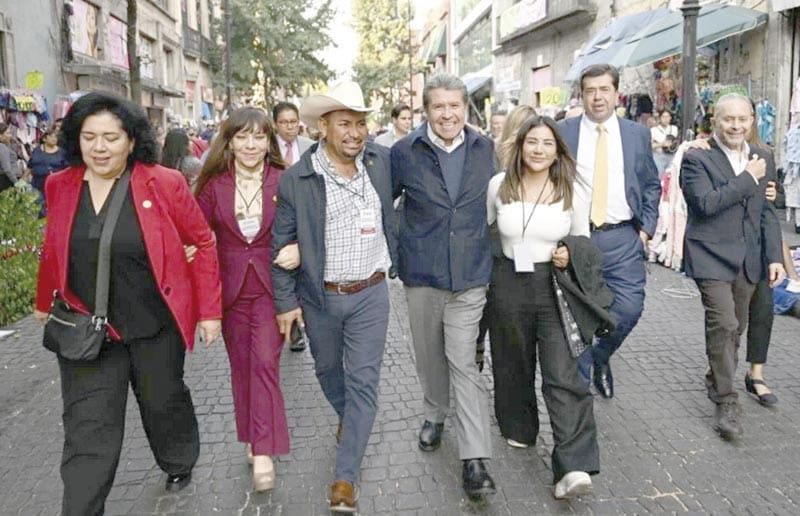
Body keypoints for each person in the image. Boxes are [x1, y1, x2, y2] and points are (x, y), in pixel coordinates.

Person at [32, 91, 222, 515]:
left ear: (132, 141)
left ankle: (178, 457)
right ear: (76, 140)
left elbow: (203, 242)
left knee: (162, 401)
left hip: (154, 325)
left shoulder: (164, 183)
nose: (99, 147)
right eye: (89, 137)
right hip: (85, 331)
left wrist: (210, 312)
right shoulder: (60, 185)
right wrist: (44, 299)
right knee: (88, 432)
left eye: (111, 138)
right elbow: (53, 247)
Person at [271, 81, 397, 514]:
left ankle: (345, 477)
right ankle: (351, 418)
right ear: (323, 127)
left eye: (361, 124)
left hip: (371, 294)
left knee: (364, 381)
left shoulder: (380, 163)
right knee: (328, 372)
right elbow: (280, 244)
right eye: (345, 123)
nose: (355, 133)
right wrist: (286, 303)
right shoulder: (297, 179)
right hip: (320, 298)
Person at [391, 73, 497, 499]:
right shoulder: (404, 152)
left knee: (463, 363)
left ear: (465, 108)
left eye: (455, 106)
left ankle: (475, 460)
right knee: (429, 357)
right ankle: (435, 412)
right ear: (426, 110)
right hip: (423, 274)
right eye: (439, 106)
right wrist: (398, 256)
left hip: (470, 275)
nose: (448, 114)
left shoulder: (486, 148)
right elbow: (385, 206)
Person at [487, 114, 600, 499]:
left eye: (547, 144)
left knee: (563, 373)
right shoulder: (498, 185)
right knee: (512, 363)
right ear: (519, 146)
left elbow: (584, 241)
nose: (539, 150)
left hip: (554, 286)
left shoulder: (571, 188)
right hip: (508, 285)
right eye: (532, 142)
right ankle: (519, 427)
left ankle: (574, 466)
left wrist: (570, 253)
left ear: (557, 151)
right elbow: (488, 234)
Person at [196, 107, 296, 491]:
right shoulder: (213, 184)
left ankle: (265, 450)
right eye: (242, 137)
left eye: (259, 137)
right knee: (242, 367)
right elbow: (197, 237)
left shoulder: (285, 180)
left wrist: (300, 248)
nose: (251, 145)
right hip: (232, 290)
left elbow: (308, 224)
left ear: (269, 141)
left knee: (265, 364)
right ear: (230, 141)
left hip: (274, 289)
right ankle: (254, 438)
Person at [681, 92, 784, 440]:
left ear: (752, 121)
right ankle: (727, 401)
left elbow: (768, 214)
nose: (736, 126)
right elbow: (706, 204)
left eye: (742, 119)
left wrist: (775, 258)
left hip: (750, 258)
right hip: (710, 255)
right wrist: (748, 179)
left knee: (735, 328)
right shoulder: (697, 157)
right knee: (724, 323)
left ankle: (716, 377)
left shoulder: (763, 156)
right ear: (715, 122)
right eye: (728, 119)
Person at [558, 64, 661, 399]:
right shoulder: (563, 132)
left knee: (630, 308)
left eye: (604, 90)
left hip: (622, 237)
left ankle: (598, 357)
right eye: (590, 90)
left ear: (616, 93)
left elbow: (650, 186)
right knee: (578, 312)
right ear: (582, 95)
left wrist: (644, 230)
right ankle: (579, 395)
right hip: (577, 238)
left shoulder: (637, 134)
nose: (597, 97)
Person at [27, 126, 68, 204]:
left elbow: (67, 170)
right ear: (44, 139)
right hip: (37, 185)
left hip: (55, 186)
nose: (54, 139)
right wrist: (23, 179)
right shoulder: (37, 150)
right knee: (39, 207)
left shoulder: (62, 153)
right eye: (51, 136)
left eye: (55, 137)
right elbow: (30, 165)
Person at [272, 101, 314, 167]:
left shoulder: (311, 146)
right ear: (275, 124)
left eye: (293, 121)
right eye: (283, 122)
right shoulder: (268, 146)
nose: (289, 127)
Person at [651, 110, 679, 177]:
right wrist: (661, 144)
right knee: (659, 177)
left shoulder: (674, 129)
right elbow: (649, 145)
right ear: (660, 118)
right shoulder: (654, 130)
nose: (666, 119)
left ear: (670, 118)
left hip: (672, 156)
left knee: (670, 177)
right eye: (663, 117)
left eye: (667, 117)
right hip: (659, 156)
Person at [0, 122, 21, 194]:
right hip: (8, 181)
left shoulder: (6, 145)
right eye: (8, 133)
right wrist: (16, 182)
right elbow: (7, 169)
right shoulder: (2, 147)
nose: (10, 136)